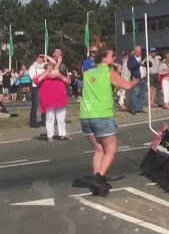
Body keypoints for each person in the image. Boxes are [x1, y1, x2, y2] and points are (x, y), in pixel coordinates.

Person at [79, 48, 140, 193]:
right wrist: (136, 81)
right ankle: (99, 178)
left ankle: (97, 181)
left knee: (99, 149)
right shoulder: (108, 72)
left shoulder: (87, 74)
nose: (114, 58)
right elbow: (125, 85)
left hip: (86, 115)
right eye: (112, 56)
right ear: (104, 59)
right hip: (102, 114)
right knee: (111, 149)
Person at [35, 59, 71, 141]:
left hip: (60, 100)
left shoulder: (58, 75)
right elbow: (36, 80)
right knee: (50, 118)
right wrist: (47, 73)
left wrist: (59, 76)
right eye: (49, 67)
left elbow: (68, 81)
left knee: (61, 118)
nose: (51, 68)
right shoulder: (42, 76)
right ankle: (50, 135)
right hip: (49, 101)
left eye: (52, 67)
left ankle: (63, 134)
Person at [125, 46, 146, 114]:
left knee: (142, 94)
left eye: (140, 51)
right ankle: (134, 109)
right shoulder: (131, 59)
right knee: (135, 94)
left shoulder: (142, 58)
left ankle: (140, 108)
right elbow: (130, 66)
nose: (139, 52)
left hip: (143, 78)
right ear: (135, 51)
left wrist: (146, 62)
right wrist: (138, 64)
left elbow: (149, 64)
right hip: (136, 78)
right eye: (137, 51)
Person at [27, 54, 46, 128]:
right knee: (35, 105)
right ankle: (33, 122)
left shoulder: (44, 67)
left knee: (44, 104)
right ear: (36, 58)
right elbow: (33, 77)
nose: (41, 59)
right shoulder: (33, 67)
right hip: (36, 87)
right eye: (40, 57)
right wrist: (42, 75)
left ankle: (44, 120)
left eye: (42, 58)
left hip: (44, 87)